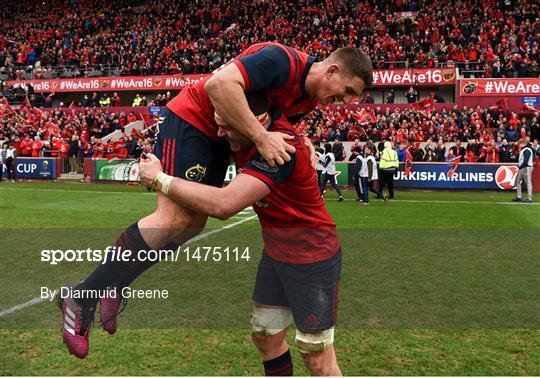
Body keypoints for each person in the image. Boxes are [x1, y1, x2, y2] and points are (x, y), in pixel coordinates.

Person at [58, 43, 372, 359]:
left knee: (193, 225)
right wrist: (262, 138)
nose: (344, 102)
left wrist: (299, 141)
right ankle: (81, 296)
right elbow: (217, 84)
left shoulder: (308, 99)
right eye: (347, 90)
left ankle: (115, 281)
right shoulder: (284, 61)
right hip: (193, 120)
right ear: (332, 70)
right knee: (173, 219)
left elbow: (272, 120)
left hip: (224, 136)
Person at [139, 98, 343, 376]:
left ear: (254, 125)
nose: (220, 134)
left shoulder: (280, 151)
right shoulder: (249, 138)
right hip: (276, 255)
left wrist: (159, 178)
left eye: (227, 128)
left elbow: (224, 205)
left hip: (312, 258)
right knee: (265, 336)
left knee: (316, 355)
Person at [512, 139, 534, 203]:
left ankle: (529, 198)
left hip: (527, 167)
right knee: (517, 181)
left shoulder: (527, 150)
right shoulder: (524, 150)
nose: (519, 145)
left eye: (520, 144)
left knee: (528, 182)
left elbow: (526, 161)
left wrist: (520, 167)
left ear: (524, 143)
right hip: (523, 167)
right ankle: (519, 196)